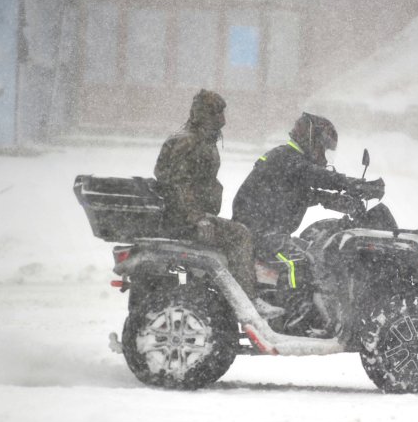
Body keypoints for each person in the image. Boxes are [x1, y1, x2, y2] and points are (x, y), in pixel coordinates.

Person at [154, 89, 282, 319]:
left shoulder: (198, 138)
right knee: (241, 234)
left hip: (189, 215)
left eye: (222, 113)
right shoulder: (189, 141)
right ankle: (249, 301)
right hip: (184, 219)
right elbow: (178, 184)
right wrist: (197, 218)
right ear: (203, 114)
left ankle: (222, 297)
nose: (223, 120)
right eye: (217, 114)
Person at [232, 113, 384, 290]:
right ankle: (296, 310)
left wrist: (337, 201)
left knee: (316, 255)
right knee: (301, 263)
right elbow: (315, 176)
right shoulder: (285, 157)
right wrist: (354, 185)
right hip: (259, 234)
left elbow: (302, 195)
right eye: (323, 149)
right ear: (312, 141)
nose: (325, 157)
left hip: (269, 232)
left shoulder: (291, 163)